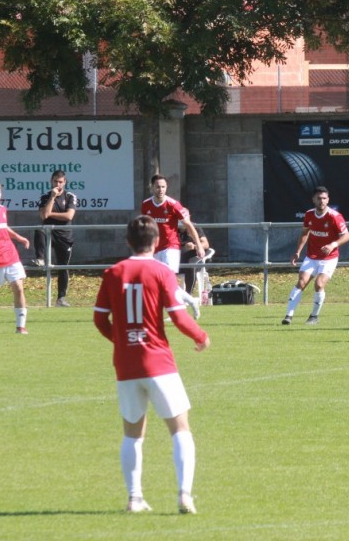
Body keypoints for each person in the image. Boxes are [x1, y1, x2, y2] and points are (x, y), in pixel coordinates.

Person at [93, 215, 211, 515]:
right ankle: (185, 495)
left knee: (133, 433)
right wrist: (200, 336)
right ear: (157, 241)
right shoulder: (161, 271)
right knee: (180, 429)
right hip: (158, 362)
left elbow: (99, 319)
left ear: (128, 241)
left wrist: (121, 341)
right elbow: (179, 316)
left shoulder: (113, 272)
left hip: (126, 365)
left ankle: (134, 498)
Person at [282, 186, 349, 325]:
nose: (322, 201)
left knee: (319, 284)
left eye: (324, 198)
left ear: (328, 200)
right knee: (301, 282)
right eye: (319, 198)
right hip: (312, 256)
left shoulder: (335, 216)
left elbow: (346, 236)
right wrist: (298, 251)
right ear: (313, 199)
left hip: (329, 259)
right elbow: (305, 233)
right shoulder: (309, 215)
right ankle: (288, 316)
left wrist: (332, 245)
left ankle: (314, 317)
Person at [141, 174, 204, 319]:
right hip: (154, 249)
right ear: (152, 187)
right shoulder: (146, 205)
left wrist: (199, 246)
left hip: (171, 247)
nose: (161, 189)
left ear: (166, 187)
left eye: (163, 187)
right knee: (161, 284)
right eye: (158, 187)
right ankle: (187, 302)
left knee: (167, 280)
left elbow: (189, 225)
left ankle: (183, 305)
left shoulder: (173, 204)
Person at [0, 181, 31, 334]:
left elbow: (4, 227)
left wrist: (19, 237)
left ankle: (20, 327)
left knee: (19, 288)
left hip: (10, 255)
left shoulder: (2, 209)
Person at [32, 170, 77, 307]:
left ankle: (61, 298)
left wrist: (50, 213)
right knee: (39, 230)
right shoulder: (45, 197)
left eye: (61, 182)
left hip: (64, 235)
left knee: (63, 267)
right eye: (55, 181)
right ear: (51, 181)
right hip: (49, 232)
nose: (58, 184)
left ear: (65, 182)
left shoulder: (70, 196)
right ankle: (40, 258)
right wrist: (52, 197)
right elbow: (44, 217)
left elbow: (69, 216)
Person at [179, 224, 210, 297]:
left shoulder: (195, 228)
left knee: (191, 264)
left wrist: (194, 246)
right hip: (176, 258)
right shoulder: (171, 228)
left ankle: (188, 294)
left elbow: (205, 244)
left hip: (192, 257)